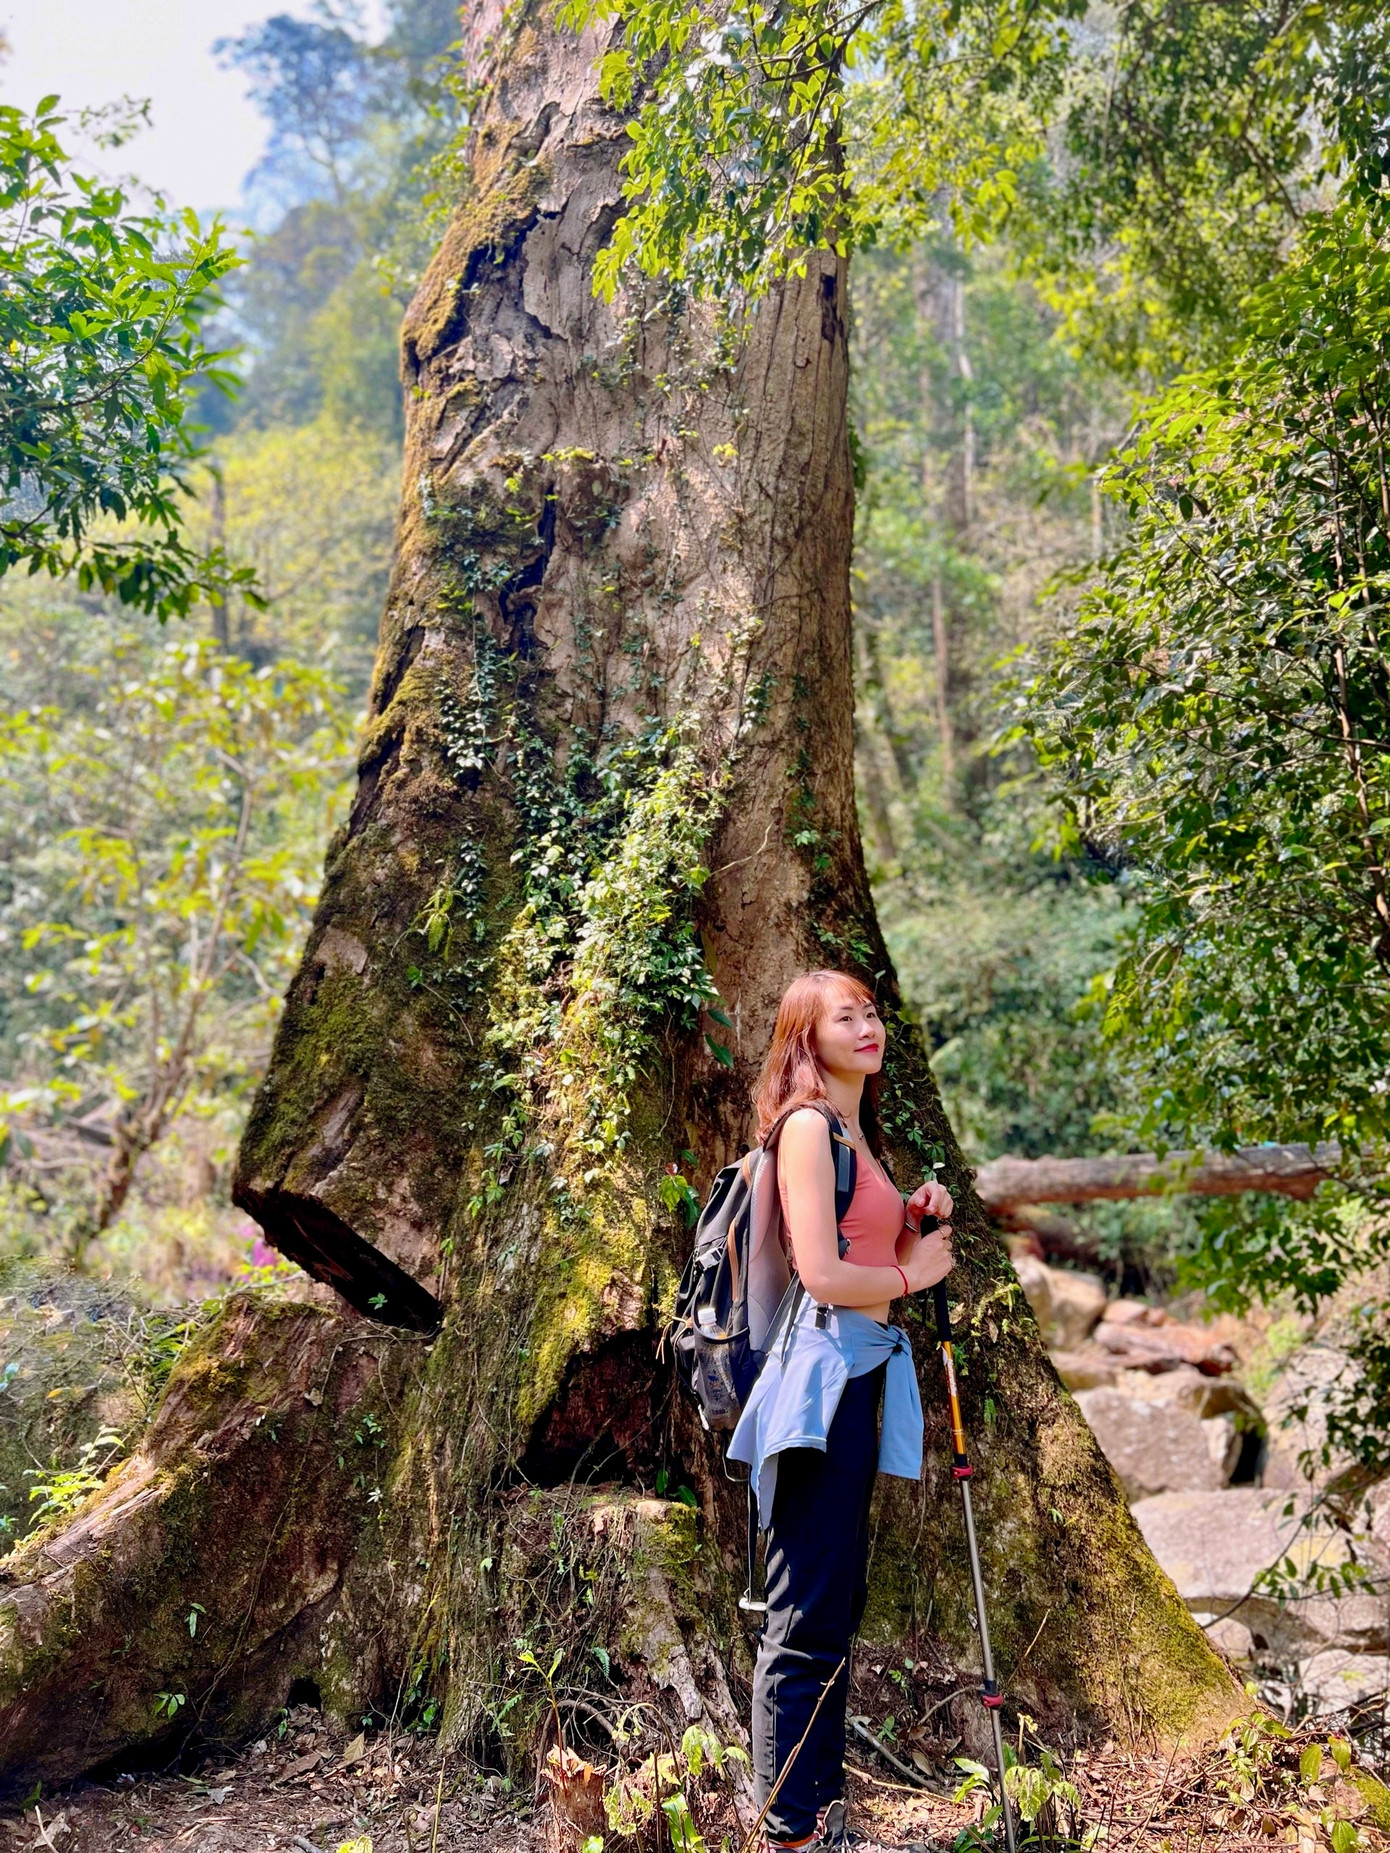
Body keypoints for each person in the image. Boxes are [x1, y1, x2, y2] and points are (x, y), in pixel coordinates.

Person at [728, 969, 954, 1853]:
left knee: (834, 1606)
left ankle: (820, 1816)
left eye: (871, 1012)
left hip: (858, 1376)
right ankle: (786, 1826)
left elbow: (872, 1252)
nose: (866, 1026)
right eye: (843, 1016)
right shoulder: (809, 1130)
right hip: (816, 1388)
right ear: (806, 1038)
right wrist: (913, 1273)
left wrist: (913, 1216)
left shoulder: (859, 1130)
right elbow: (824, 1274)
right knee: (803, 1612)